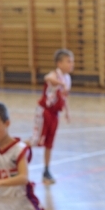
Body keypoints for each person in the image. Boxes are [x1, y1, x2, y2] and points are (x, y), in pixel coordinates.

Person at [31, 49, 73, 184]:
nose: (71, 64)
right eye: (68, 61)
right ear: (59, 63)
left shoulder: (68, 78)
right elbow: (47, 78)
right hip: (44, 111)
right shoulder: (54, 75)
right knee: (36, 141)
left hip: (54, 114)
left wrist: (67, 112)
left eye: (72, 61)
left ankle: (46, 171)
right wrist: (60, 84)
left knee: (49, 143)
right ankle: (14, 149)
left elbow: (64, 97)